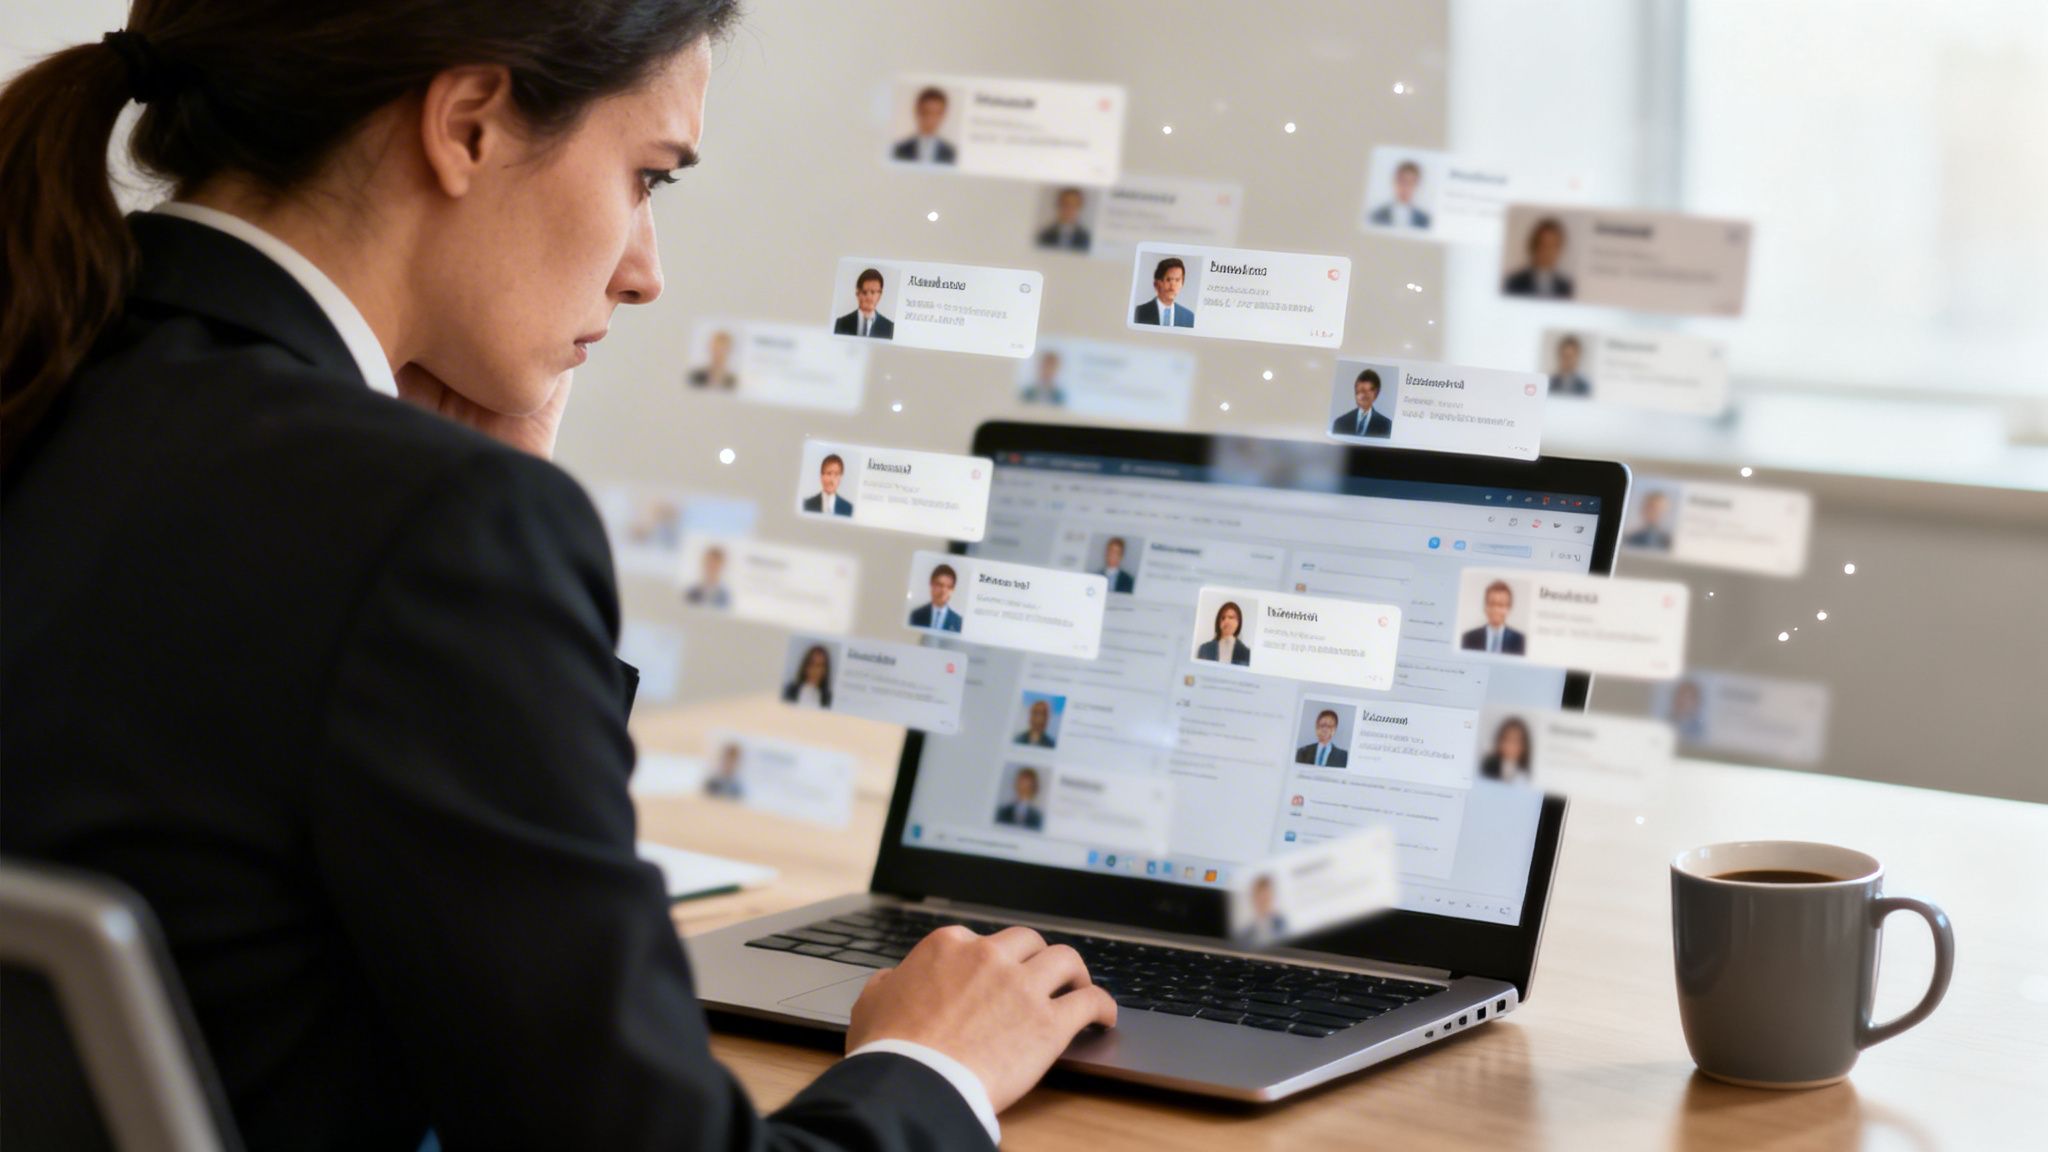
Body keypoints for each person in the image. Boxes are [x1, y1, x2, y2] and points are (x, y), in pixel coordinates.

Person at [0, 6, 1116, 1147]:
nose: (646, 275)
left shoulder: (54, 376)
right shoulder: (425, 529)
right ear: (469, 126)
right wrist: (931, 1068)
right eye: (647, 177)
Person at [1503, 216, 1573, 298]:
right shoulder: (1514, 282)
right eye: (1544, 245)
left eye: (1553, 246)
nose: (1548, 252)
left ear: (1559, 249)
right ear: (1533, 246)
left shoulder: (1565, 286)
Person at [892, 86, 956, 164]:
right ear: (917, 112)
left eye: (936, 114)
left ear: (943, 115)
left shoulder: (949, 153)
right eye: (926, 113)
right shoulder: (900, 149)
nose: (930, 119)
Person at [1460, 580, 1527, 655]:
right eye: (1491, 604)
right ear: (1485, 607)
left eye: (1501, 605)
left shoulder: (1519, 640)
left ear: (1509, 608)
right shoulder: (1469, 638)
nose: (1496, 609)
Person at [1367, 159, 1431, 229]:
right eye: (1402, 181)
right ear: (1395, 182)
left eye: (1410, 183)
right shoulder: (1377, 215)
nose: (1405, 187)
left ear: (1417, 185)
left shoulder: (1424, 220)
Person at [1331, 368, 1394, 438]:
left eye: (1366, 391)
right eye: (1358, 391)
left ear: (1376, 393)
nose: (1362, 395)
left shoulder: (1387, 425)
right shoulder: (1340, 423)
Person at [1132, 256, 1194, 327]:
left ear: (1182, 283)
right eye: (1168, 279)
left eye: (1177, 280)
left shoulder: (1189, 317)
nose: (1172, 285)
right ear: (1157, 283)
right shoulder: (1139, 312)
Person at [832, 267, 893, 339]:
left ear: (880, 295)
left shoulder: (889, 327)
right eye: (864, 292)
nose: (869, 297)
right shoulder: (840, 323)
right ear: (857, 293)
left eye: (873, 292)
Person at [909, 563, 964, 632]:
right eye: (940, 585)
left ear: (952, 590)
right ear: (931, 585)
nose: (943, 591)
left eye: (949, 587)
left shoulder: (958, 622)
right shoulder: (916, 615)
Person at [1195, 601, 1251, 666]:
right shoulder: (1205, 649)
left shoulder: (1246, 653)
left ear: (1238, 622)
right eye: (1223, 618)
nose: (1226, 621)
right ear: (1218, 623)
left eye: (1231, 617)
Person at [1035, 187, 1090, 252]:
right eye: (1066, 204)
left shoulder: (1085, 237)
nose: (1069, 209)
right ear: (1059, 205)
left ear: (1079, 207)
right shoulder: (1045, 234)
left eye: (1074, 205)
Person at [1480, 717, 1533, 782]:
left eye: (1516, 741)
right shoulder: (1487, 767)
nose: (1510, 745)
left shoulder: (1528, 774)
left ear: (1524, 746)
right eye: (1507, 739)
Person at [783, 644, 835, 709]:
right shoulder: (791, 690)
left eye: (819, 665)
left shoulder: (828, 698)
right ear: (806, 666)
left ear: (825, 670)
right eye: (812, 663)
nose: (815, 669)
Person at [802, 452, 854, 516]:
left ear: (841, 478)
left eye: (836, 474)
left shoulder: (848, 509)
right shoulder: (807, 505)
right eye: (829, 473)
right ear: (821, 476)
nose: (832, 480)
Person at [683, 545, 731, 609]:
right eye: (709, 563)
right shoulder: (692, 592)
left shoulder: (724, 596)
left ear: (721, 566)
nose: (711, 567)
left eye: (715, 564)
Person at [1246, 873, 1286, 941]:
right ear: (1254, 899)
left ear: (1271, 897)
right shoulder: (1247, 933)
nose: (1264, 902)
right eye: (1260, 898)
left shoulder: (1281, 923)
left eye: (1266, 897)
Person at [1667, 679, 1708, 744]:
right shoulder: (1665, 723)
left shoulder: (1698, 731)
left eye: (1687, 698)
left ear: (1696, 703)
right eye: (1680, 695)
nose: (1682, 701)